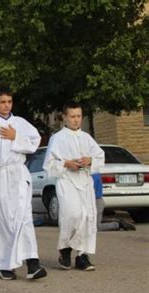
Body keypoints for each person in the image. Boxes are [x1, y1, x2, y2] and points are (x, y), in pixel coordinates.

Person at [0, 88, 47, 280]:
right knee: (3, 221)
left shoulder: (20, 123)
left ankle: (32, 263)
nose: (6, 105)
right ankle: (4, 264)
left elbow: (34, 141)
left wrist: (16, 137)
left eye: (9, 102)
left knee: (24, 218)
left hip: (17, 175)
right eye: (2, 102)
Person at [43, 101, 105, 272]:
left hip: (84, 181)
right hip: (67, 181)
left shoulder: (86, 138)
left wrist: (90, 160)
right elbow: (48, 164)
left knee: (87, 216)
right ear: (65, 118)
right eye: (72, 117)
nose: (76, 120)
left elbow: (100, 156)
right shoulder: (58, 138)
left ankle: (82, 255)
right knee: (73, 214)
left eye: (79, 116)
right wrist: (66, 163)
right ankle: (65, 249)